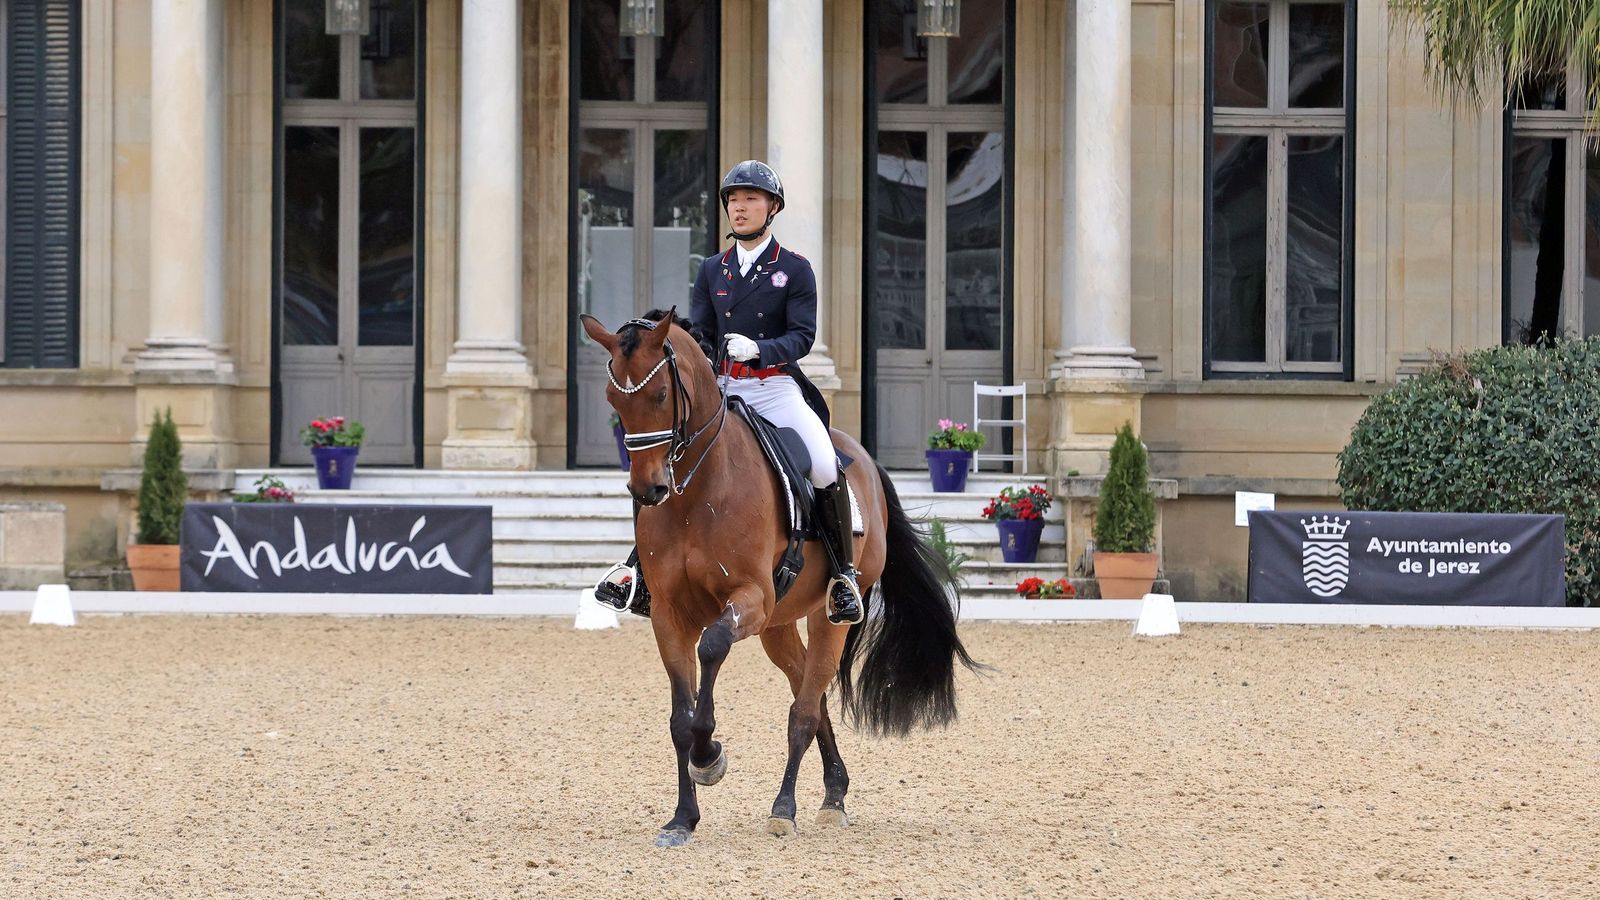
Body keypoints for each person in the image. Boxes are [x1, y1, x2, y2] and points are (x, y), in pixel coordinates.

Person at [594, 160, 864, 626]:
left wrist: (760, 350)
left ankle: (843, 576)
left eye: (750, 199)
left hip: (774, 387)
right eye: (733, 200)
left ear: (772, 208)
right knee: (660, 459)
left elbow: (803, 336)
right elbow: (701, 332)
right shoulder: (712, 269)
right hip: (721, 388)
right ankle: (637, 571)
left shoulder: (794, 269)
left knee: (823, 462)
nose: (739, 208)